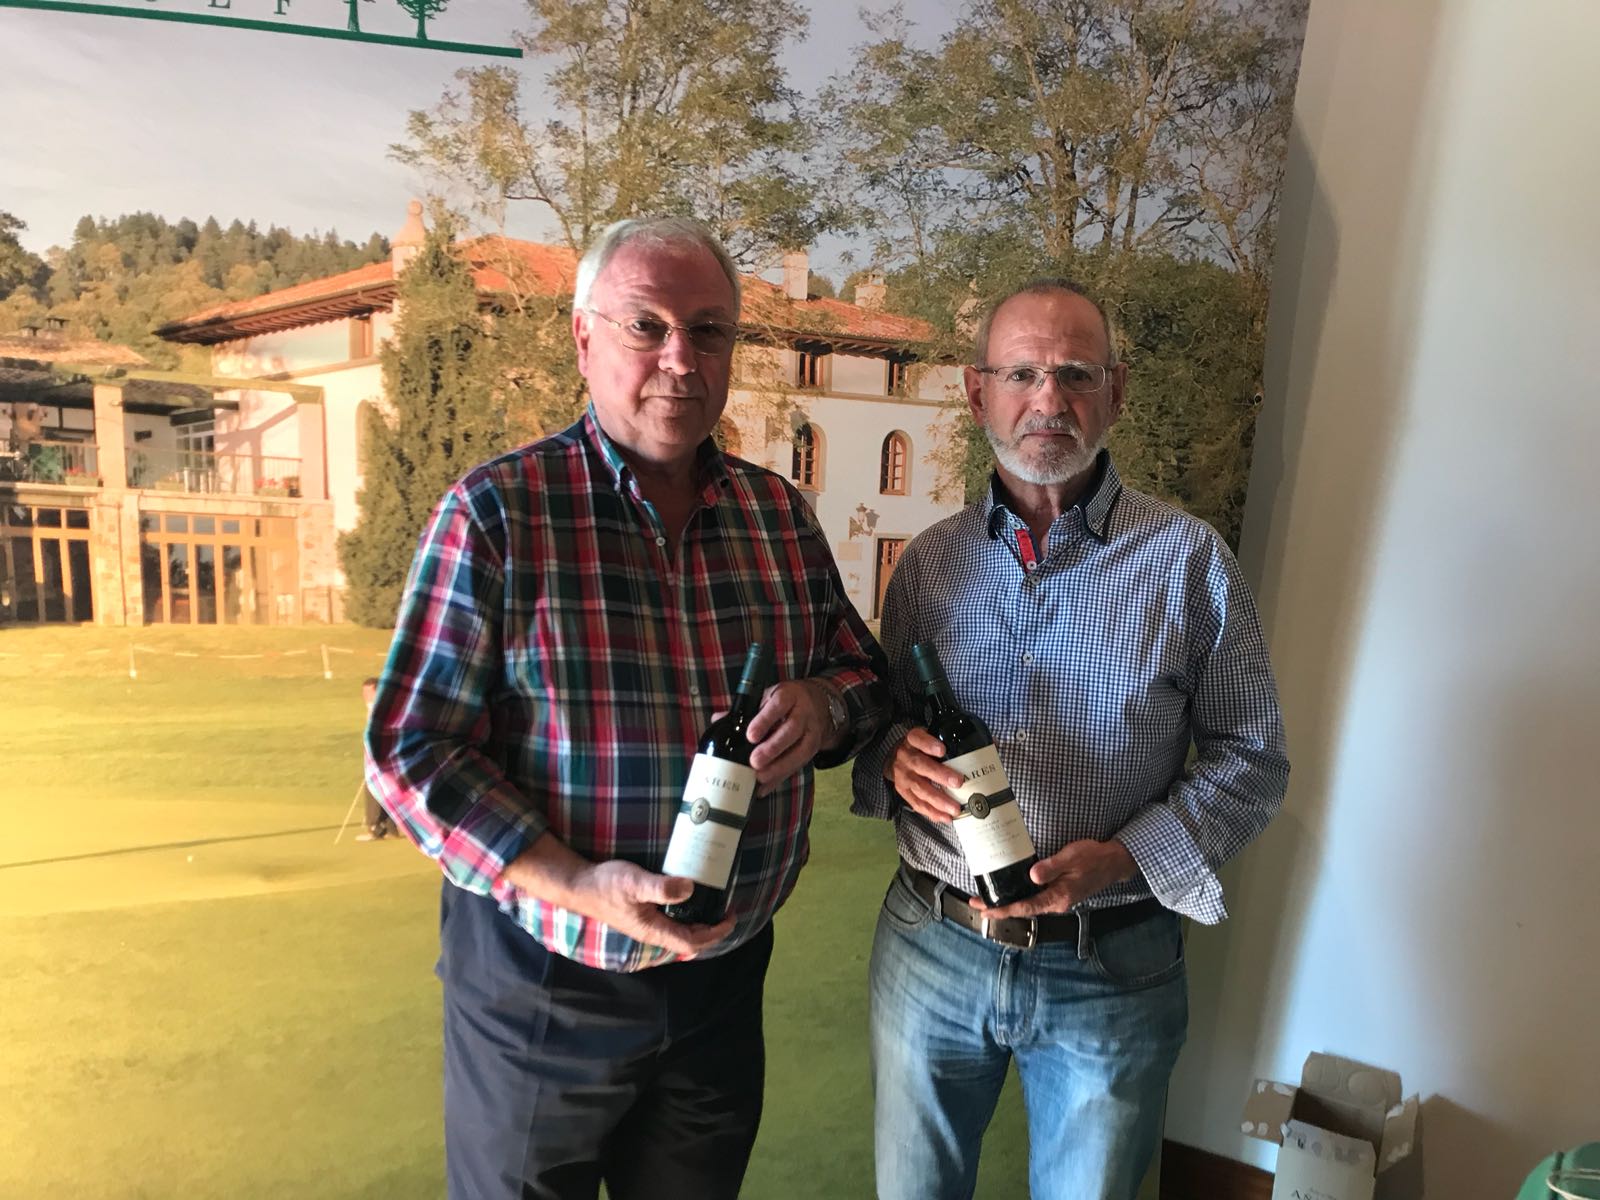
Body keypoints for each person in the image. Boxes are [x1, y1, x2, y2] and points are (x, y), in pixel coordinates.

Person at [366, 216, 887, 1200]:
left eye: (709, 330)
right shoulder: (496, 514)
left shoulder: (779, 518)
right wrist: (573, 881)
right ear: (583, 337)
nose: (681, 359)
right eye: (647, 326)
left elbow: (864, 673)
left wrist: (826, 706)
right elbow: (410, 749)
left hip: (722, 979)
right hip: (541, 985)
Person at [852, 278, 1290, 1200]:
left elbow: (1253, 760)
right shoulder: (928, 564)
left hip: (1113, 961)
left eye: (1076, 374)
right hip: (932, 945)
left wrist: (1124, 858)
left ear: (1115, 392)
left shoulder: (1190, 562)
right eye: (1021, 373)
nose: (1048, 399)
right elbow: (879, 721)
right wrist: (889, 756)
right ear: (978, 394)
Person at [354, 677, 394, 842]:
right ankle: (390, 828)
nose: (365, 695)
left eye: (368, 692)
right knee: (386, 789)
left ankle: (374, 828)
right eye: (363, 692)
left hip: (380, 755)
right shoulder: (379, 705)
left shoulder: (378, 708)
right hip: (384, 754)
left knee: (373, 789)